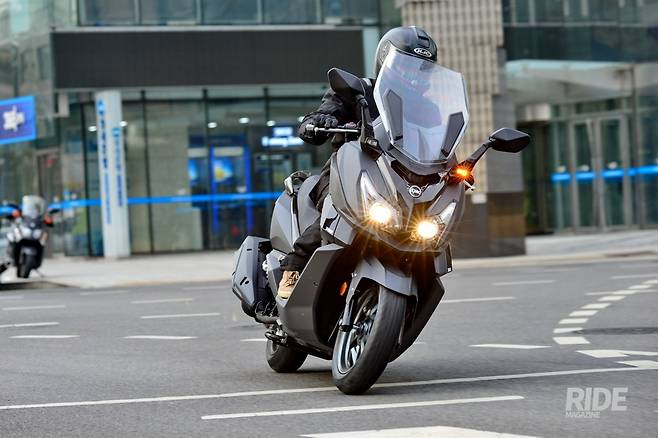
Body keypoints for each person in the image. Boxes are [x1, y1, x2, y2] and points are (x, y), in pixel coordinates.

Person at [277, 26, 439, 298]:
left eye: (422, 69)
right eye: (408, 66)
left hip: (402, 180)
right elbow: (325, 112)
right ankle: (294, 265)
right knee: (336, 208)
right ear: (387, 60)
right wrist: (320, 121)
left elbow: (439, 144)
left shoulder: (429, 109)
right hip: (351, 173)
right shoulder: (359, 91)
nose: (415, 75)